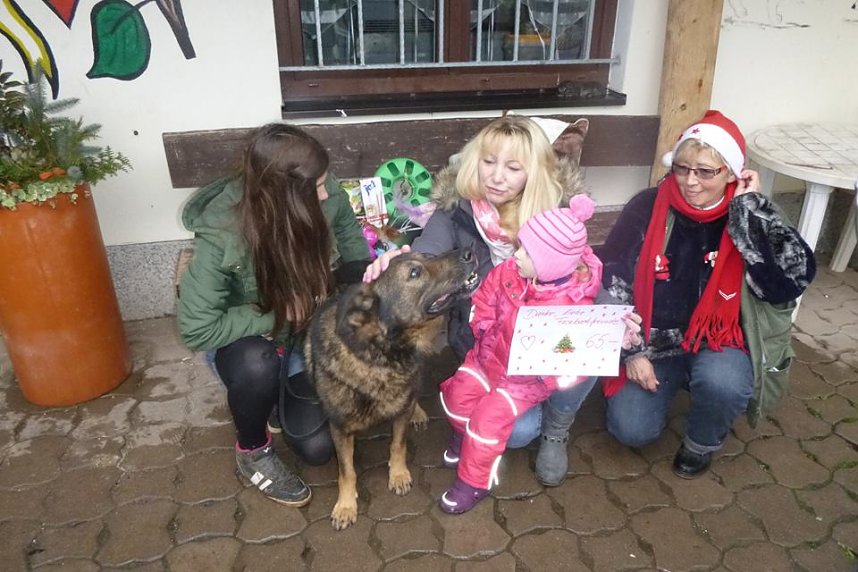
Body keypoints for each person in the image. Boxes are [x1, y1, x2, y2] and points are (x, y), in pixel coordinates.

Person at [362, 115, 604, 486]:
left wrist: (612, 318)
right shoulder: (457, 209)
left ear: (534, 173)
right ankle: (530, 410)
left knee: (594, 337)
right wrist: (393, 261)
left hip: (544, 346)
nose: (496, 176)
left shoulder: (558, 217)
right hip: (486, 345)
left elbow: (584, 276)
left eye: (512, 167)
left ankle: (557, 426)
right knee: (519, 433)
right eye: (488, 162)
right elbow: (424, 258)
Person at [598, 110, 816, 479]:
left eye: (705, 171)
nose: (690, 182)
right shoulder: (648, 205)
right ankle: (677, 375)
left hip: (719, 338)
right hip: (656, 339)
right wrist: (632, 352)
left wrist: (751, 214)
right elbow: (612, 277)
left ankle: (701, 442)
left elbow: (788, 282)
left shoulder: (747, 211)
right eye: (682, 168)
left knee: (724, 384)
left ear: (731, 172)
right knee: (630, 431)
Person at [178, 123, 371, 506]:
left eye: (324, 181)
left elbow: (354, 251)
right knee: (256, 365)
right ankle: (252, 451)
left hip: (304, 339)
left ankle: (277, 400)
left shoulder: (324, 192)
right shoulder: (223, 232)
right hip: (252, 343)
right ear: (285, 196)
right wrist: (274, 316)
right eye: (316, 187)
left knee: (317, 448)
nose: (327, 191)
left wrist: (372, 284)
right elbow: (196, 328)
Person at [438, 196, 604, 513]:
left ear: (550, 263)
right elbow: (485, 297)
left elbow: (576, 361)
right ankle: (462, 439)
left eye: (527, 252)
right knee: (457, 397)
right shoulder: (510, 271)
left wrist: (554, 373)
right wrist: (481, 324)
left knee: (487, 424)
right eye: (520, 246)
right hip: (485, 359)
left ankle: (473, 483)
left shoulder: (573, 307)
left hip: (521, 383)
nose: (517, 255)